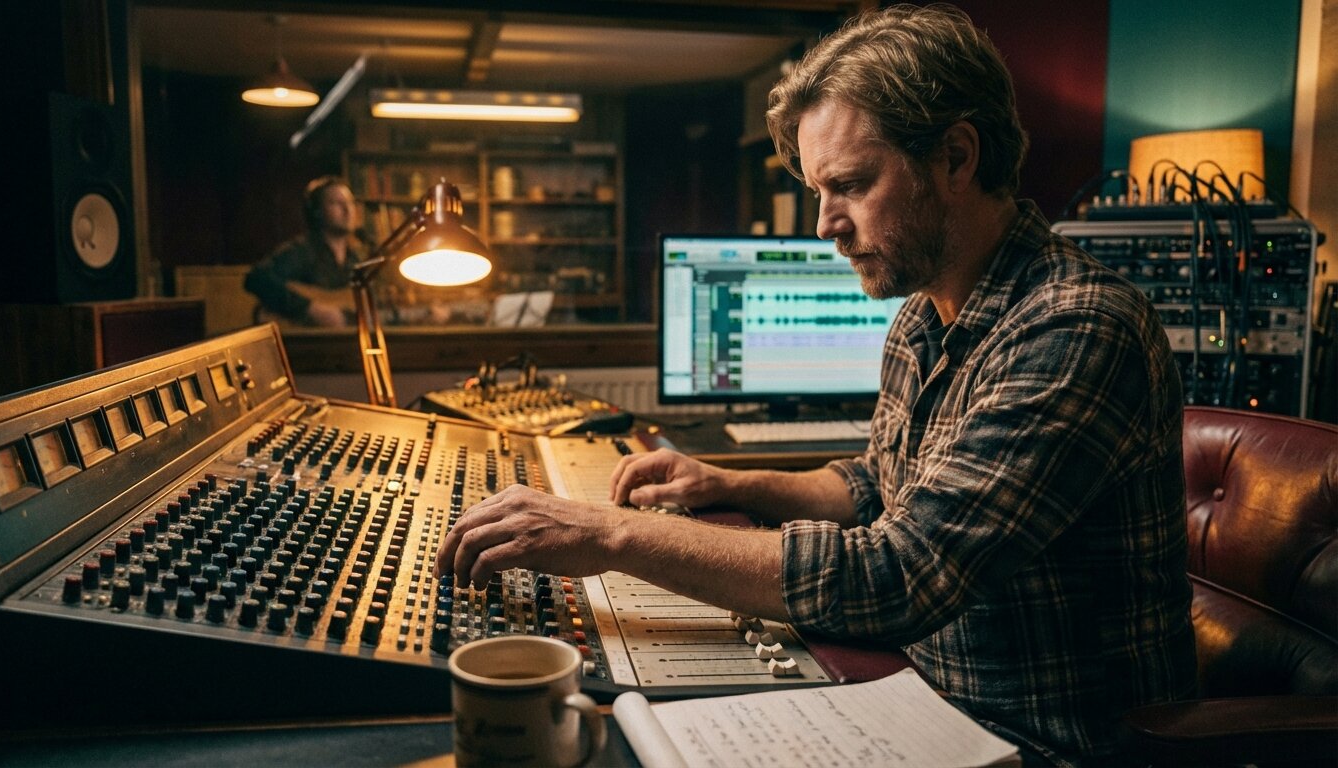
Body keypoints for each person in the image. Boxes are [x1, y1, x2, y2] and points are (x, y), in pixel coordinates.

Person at [435, 5, 1195, 764]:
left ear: (957, 158)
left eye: (852, 185)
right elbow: (879, 485)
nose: (825, 224)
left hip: (1040, 744)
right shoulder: (923, 315)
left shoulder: (1077, 327)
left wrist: (608, 534)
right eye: (817, 191)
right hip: (904, 692)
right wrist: (727, 481)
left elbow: (902, 573)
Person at [244, 175, 362, 327]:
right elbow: (256, 278)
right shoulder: (302, 251)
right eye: (336, 203)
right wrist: (308, 308)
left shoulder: (355, 258)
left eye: (350, 203)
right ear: (317, 211)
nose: (347, 210)